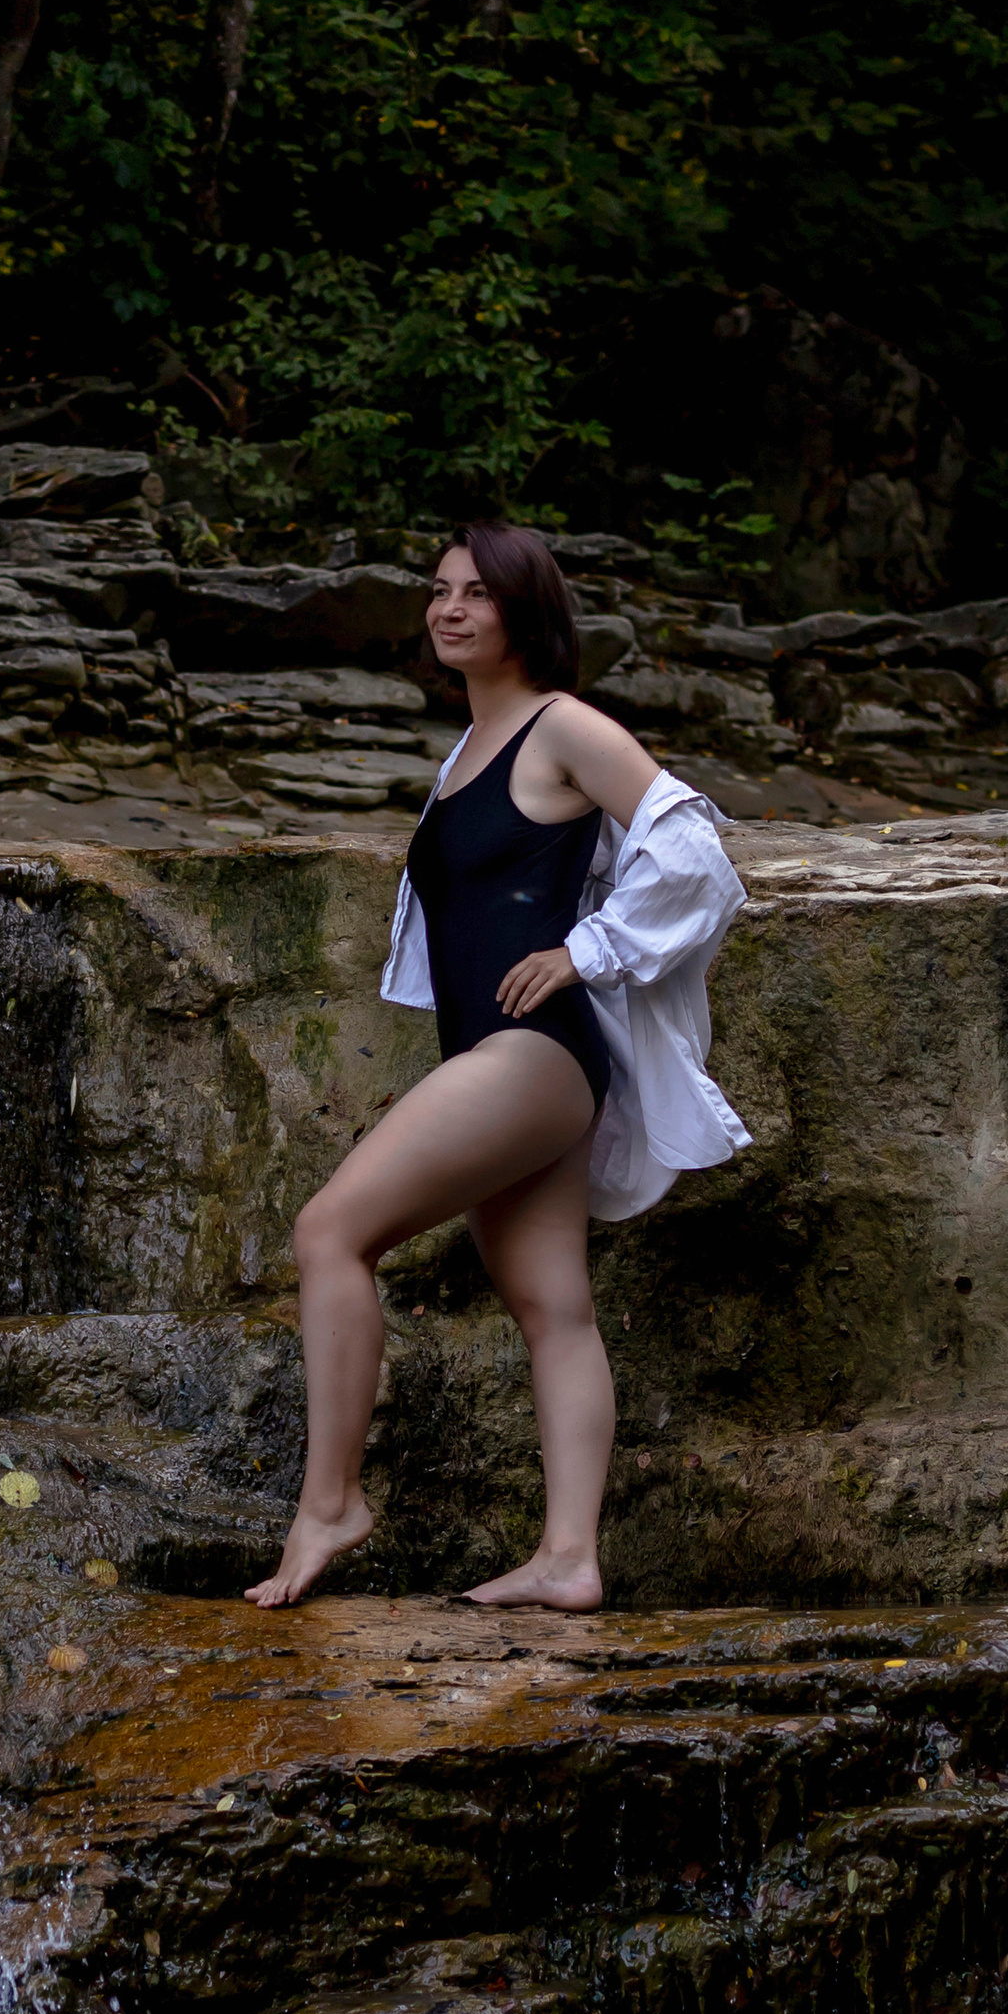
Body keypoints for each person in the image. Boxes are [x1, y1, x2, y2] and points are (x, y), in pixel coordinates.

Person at [246, 519, 750, 1610]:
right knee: (550, 1302)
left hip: (536, 1054)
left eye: (478, 591)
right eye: (438, 590)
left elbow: (694, 850)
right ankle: (569, 1557)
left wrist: (587, 950)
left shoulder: (561, 726)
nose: (449, 607)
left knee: (330, 1232)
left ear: (528, 612)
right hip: (501, 1051)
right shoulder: (467, 749)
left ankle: (329, 1503)